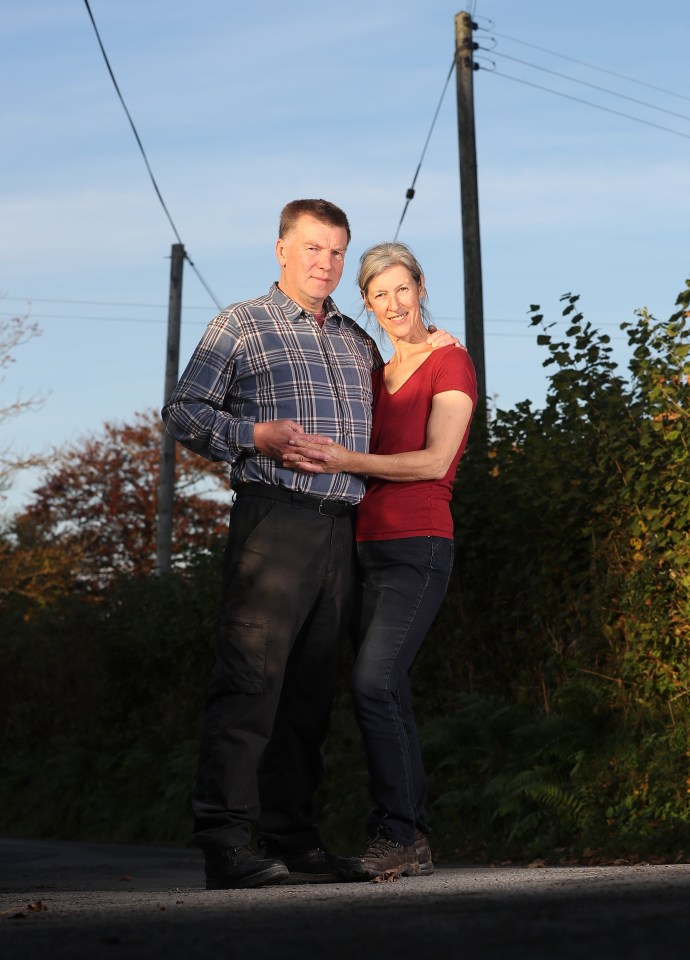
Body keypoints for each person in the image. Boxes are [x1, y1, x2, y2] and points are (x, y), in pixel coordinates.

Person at [161, 201, 455, 890]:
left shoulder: (357, 338)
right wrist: (251, 436)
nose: (324, 262)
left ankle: (294, 838)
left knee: (311, 692)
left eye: (335, 252)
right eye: (312, 248)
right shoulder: (241, 323)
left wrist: (436, 342)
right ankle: (226, 842)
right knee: (250, 681)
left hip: (342, 531)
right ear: (282, 250)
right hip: (274, 521)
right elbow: (183, 410)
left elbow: (408, 390)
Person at [282, 241, 477, 880]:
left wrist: (349, 461)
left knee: (373, 682)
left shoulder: (451, 362)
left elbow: (433, 461)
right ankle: (408, 833)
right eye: (379, 295)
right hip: (360, 548)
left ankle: (399, 832)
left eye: (403, 289)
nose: (394, 304)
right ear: (365, 304)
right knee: (383, 686)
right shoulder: (371, 371)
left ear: (420, 287)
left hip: (419, 547)